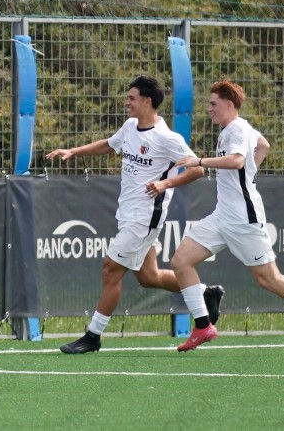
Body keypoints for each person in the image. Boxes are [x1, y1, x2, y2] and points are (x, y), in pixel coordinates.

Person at [46, 76, 223, 354]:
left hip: (144, 218)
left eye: (132, 98)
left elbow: (198, 169)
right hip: (128, 214)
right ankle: (204, 293)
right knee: (148, 276)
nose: (127, 102)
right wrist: (73, 151)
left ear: (147, 102)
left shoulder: (167, 138)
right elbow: (109, 144)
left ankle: (93, 336)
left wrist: (165, 184)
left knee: (110, 269)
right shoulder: (130, 127)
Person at [171, 80, 284, 354]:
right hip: (222, 216)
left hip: (243, 219)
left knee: (269, 279)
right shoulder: (238, 128)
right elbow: (264, 145)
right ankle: (203, 326)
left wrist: (199, 161)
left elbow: (238, 160)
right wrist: (250, 172)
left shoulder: (237, 129)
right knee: (181, 261)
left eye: (213, 104)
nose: (209, 108)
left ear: (229, 104)